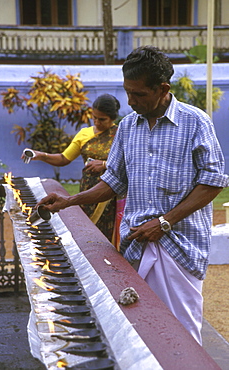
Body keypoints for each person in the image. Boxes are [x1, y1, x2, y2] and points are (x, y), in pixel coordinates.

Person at [35, 46, 228, 344]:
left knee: (182, 338)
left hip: (180, 248)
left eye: (139, 94)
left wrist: (164, 222)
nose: (131, 101)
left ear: (163, 88)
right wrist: (69, 201)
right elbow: (113, 182)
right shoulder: (127, 127)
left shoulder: (196, 122)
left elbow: (213, 183)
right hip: (135, 246)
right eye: (128, 92)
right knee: (142, 334)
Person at [22, 93, 120, 241]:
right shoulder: (85, 134)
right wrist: (40, 155)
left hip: (112, 194)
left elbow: (129, 163)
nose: (97, 122)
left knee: (109, 235)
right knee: (87, 233)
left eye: (102, 119)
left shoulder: (120, 135)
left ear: (112, 118)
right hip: (88, 189)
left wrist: (105, 165)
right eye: (94, 118)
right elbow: (64, 158)